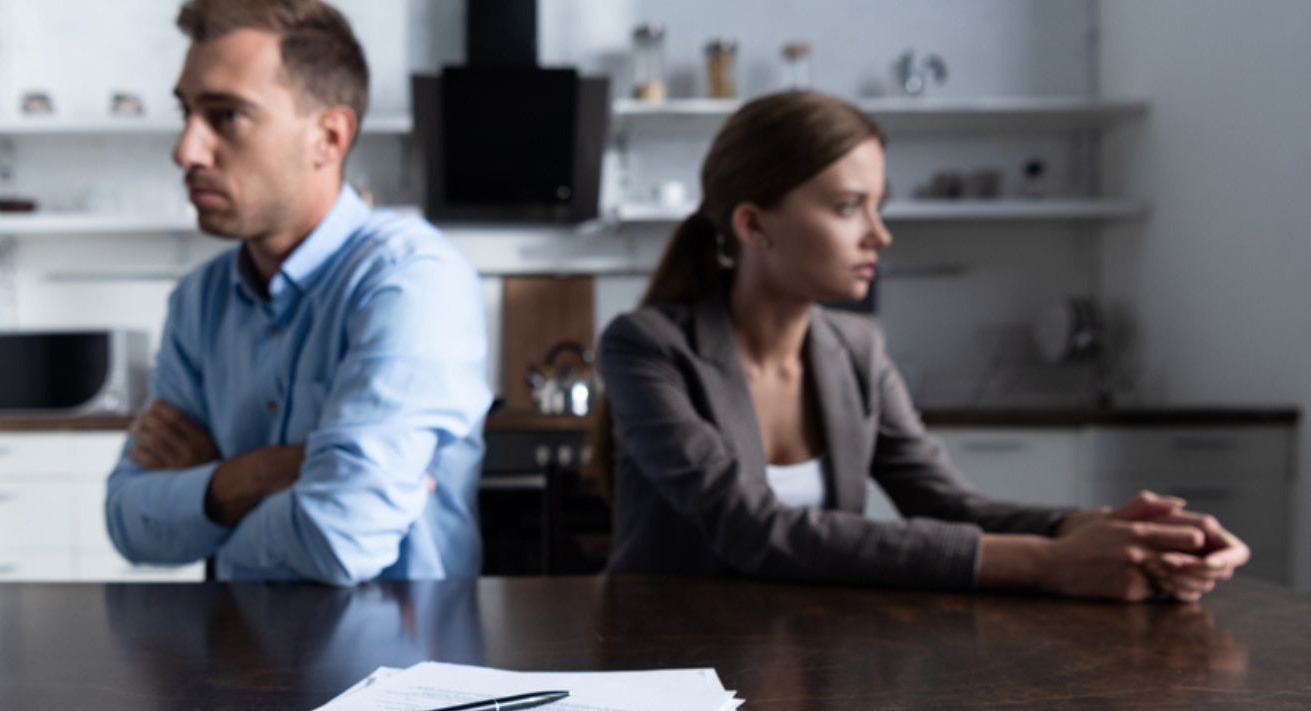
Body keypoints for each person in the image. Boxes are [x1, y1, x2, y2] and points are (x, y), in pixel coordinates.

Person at [596, 90, 1249, 601]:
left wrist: (1111, 531)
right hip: (667, 662)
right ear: (753, 224)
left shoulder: (856, 349)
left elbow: (947, 504)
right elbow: (751, 529)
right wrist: (1049, 565)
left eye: (878, 206)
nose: (879, 235)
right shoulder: (647, 346)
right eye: (850, 207)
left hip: (805, 652)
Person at [105, 0, 491, 585]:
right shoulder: (197, 302)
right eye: (186, 113)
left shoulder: (410, 279)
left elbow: (338, 539)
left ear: (328, 138)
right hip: (235, 661)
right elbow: (127, 520)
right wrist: (257, 473)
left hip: (402, 664)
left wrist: (211, 490)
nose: (186, 151)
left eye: (226, 116)